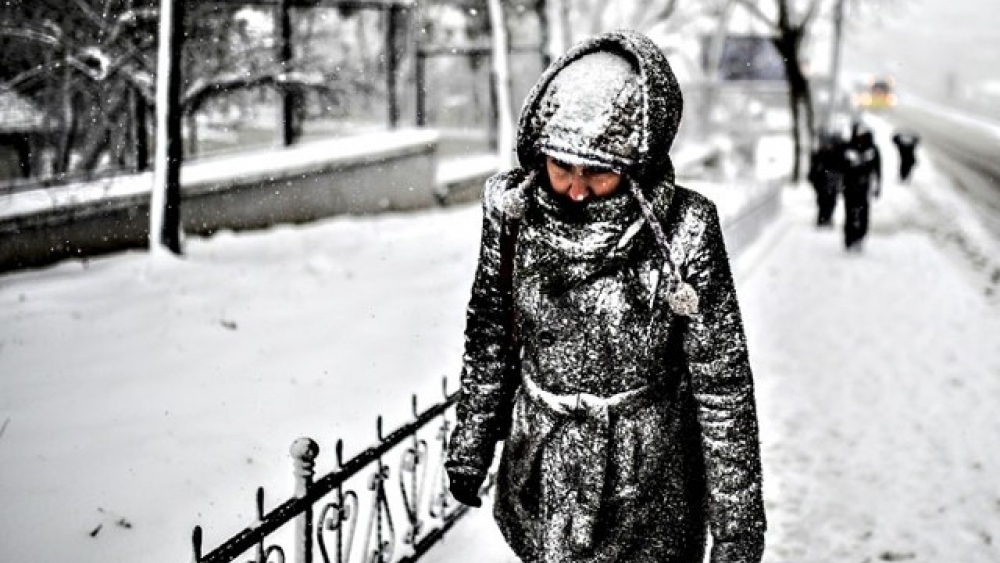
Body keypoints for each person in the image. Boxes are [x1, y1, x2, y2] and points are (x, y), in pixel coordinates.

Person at [445, 31, 767, 563]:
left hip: (650, 494)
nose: (576, 189)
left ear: (638, 161)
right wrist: (472, 444)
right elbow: (491, 331)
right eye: (561, 167)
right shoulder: (514, 216)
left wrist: (737, 529)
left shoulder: (685, 229)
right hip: (543, 478)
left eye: (597, 171)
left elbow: (721, 384)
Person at [841, 121, 882, 251]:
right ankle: (849, 237)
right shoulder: (848, 147)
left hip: (864, 187)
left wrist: (877, 186)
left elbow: (877, 169)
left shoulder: (872, 149)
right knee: (849, 213)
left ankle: (860, 236)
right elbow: (841, 166)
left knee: (863, 213)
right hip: (849, 186)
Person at [807, 129, 846, 227]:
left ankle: (826, 217)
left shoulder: (835, 153)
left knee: (829, 199)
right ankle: (823, 218)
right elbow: (815, 169)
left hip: (828, 180)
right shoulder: (820, 154)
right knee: (824, 199)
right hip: (822, 180)